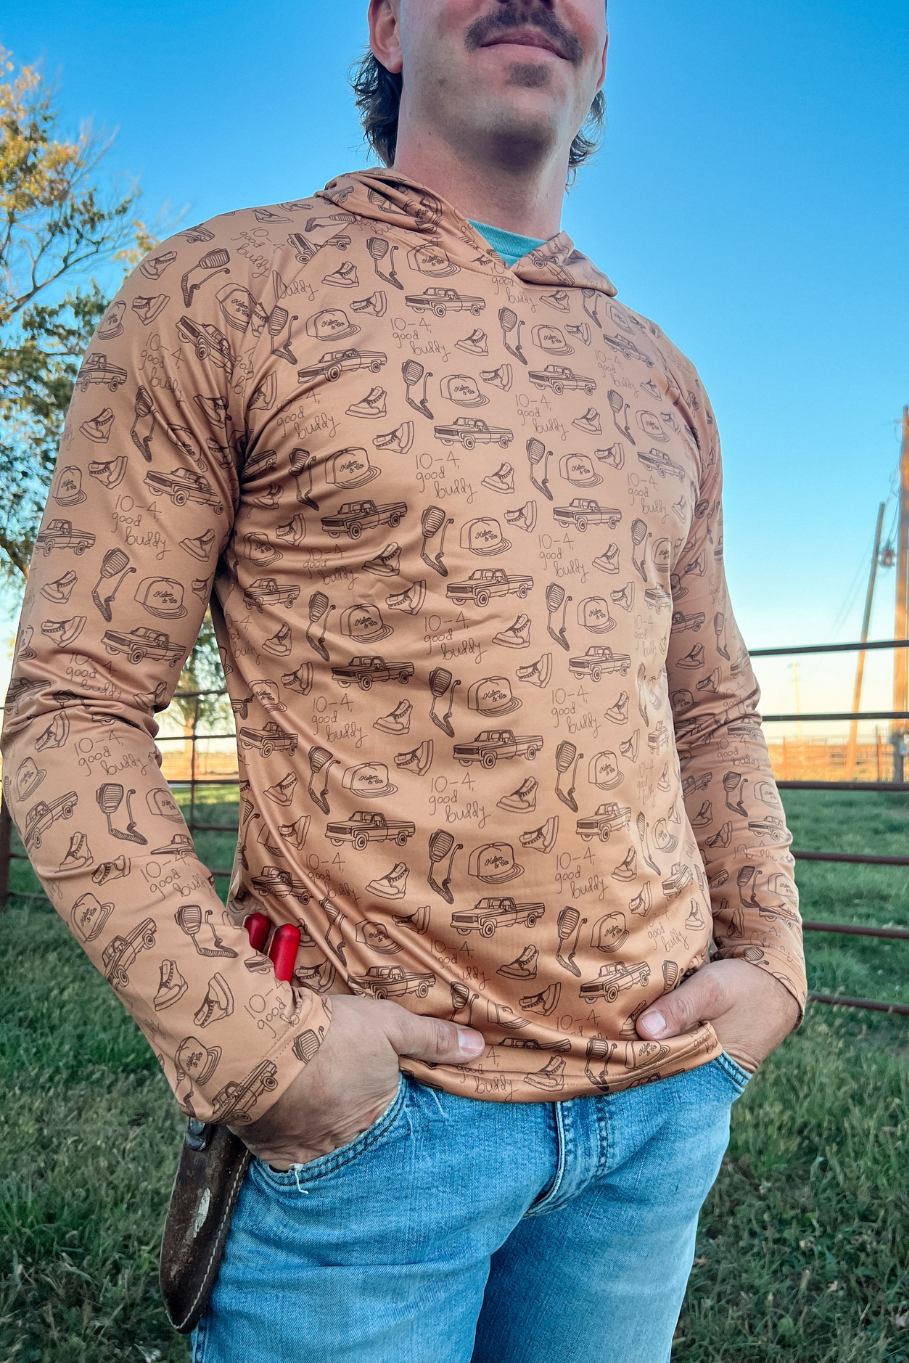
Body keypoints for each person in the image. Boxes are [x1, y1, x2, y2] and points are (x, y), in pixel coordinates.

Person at [2, 1, 806, 1359]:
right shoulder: (224, 288)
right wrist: (260, 1052)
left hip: (657, 1119)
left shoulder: (662, 375)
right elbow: (73, 707)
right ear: (385, 26)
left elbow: (712, 702)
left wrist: (775, 962)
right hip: (372, 1147)